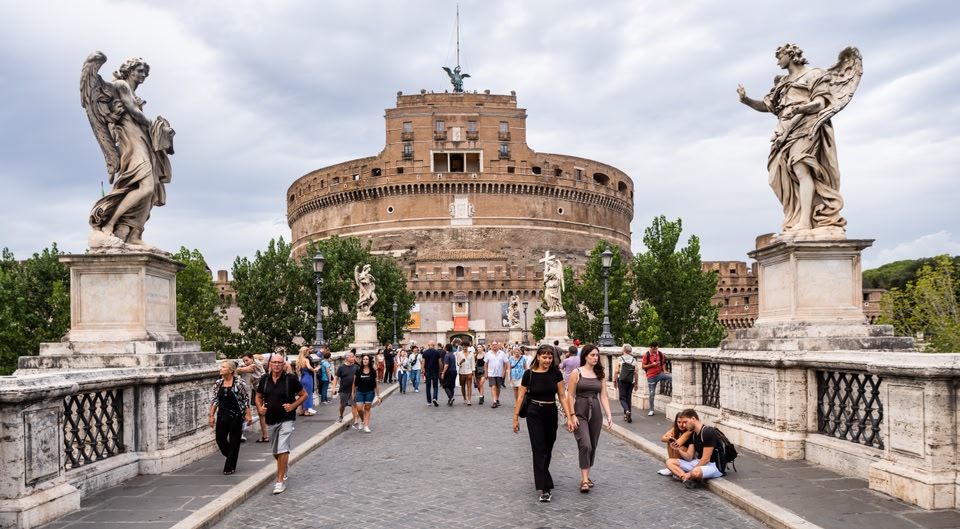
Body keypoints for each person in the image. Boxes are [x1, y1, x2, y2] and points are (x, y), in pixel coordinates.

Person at [736, 43, 860, 233]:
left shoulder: (815, 74)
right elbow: (767, 106)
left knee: (800, 168)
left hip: (806, 125)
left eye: (780, 56)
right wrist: (746, 100)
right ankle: (796, 217)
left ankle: (805, 222)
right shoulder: (783, 82)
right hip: (784, 130)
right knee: (779, 175)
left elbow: (820, 103)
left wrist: (801, 108)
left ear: (791, 55)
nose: (777, 61)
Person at [82, 54, 175, 249]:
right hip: (131, 141)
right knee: (146, 186)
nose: (143, 74)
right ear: (129, 70)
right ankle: (108, 224)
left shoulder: (132, 91)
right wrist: (157, 126)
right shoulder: (121, 86)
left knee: (151, 189)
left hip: (142, 138)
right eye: (139, 70)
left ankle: (133, 234)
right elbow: (133, 112)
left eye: (145, 72)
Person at [512, 344, 570, 503]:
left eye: (550, 357)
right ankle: (545, 487)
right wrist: (516, 418)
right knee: (539, 449)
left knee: (548, 448)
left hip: (551, 412)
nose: (547, 360)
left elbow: (562, 396)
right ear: (538, 357)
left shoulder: (556, 374)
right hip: (534, 412)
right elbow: (520, 397)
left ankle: (543, 475)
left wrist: (570, 416)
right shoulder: (528, 374)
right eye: (544, 357)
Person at [255, 354, 308, 494]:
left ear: (284, 364)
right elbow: (258, 396)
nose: (277, 365)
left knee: (283, 448)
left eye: (279, 363)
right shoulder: (264, 379)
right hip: (271, 419)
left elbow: (304, 395)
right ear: (270, 364)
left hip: (287, 418)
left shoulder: (290, 379)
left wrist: (293, 406)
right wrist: (260, 408)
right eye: (274, 362)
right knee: (275, 451)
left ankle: (280, 481)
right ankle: (283, 466)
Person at [565, 344, 613, 492]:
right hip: (580, 410)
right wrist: (571, 415)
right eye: (592, 355)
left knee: (592, 444)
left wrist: (609, 415)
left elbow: (603, 396)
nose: (595, 358)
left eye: (597, 355)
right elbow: (570, 395)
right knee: (585, 444)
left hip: (596, 410)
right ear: (585, 356)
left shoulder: (600, 374)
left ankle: (586, 476)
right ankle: (584, 480)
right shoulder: (576, 372)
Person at [209, 360, 253, 475]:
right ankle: (231, 456)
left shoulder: (239, 383)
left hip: (236, 415)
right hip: (222, 414)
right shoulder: (218, 383)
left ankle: (229, 466)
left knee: (234, 441)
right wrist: (211, 416)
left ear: (230, 370)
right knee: (220, 440)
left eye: (223, 367)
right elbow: (215, 400)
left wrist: (248, 415)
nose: (220, 369)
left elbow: (245, 400)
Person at [665, 409, 724, 488]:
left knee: (695, 472)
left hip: (714, 465)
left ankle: (687, 476)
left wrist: (689, 473)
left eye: (685, 422)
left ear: (693, 419)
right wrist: (678, 450)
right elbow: (689, 457)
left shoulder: (707, 432)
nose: (684, 426)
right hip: (699, 462)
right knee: (669, 462)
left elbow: (706, 459)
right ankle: (685, 479)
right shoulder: (693, 434)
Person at [237, 353, 269, 443]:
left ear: (252, 358)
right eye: (244, 361)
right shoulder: (258, 363)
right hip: (261, 391)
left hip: (262, 392)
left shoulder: (254, 365)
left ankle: (266, 435)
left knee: (262, 413)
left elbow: (245, 369)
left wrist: (233, 369)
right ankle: (265, 435)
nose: (245, 362)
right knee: (262, 413)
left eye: (247, 360)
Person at [641, 341, 671, 416]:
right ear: (650, 348)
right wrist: (651, 365)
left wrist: (664, 370)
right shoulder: (646, 355)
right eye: (654, 349)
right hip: (651, 376)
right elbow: (643, 366)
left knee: (672, 377)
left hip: (660, 374)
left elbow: (663, 363)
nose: (655, 351)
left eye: (656, 349)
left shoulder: (660, 354)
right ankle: (651, 410)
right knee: (652, 393)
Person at [352, 355, 382, 433]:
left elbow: (376, 384)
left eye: (367, 359)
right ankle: (362, 420)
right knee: (359, 408)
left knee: (367, 408)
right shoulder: (358, 370)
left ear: (369, 361)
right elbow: (354, 383)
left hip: (370, 392)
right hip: (359, 391)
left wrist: (378, 396)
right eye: (364, 359)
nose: (365, 360)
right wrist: (353, 393)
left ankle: (366, 425)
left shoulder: (373, 371)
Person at [332, 350, 360, 427]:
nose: (354, 358)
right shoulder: (341, 367)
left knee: (354, 405)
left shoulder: (356, 367)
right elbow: (336, 377)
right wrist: (334, 388)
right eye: (352, 357)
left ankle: (355, 421)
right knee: (342, 405)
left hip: (353, 390)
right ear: (347, 358)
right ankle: (341, 415)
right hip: (344, 389)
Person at [612, 344, 639, 422]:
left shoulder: (619, 359)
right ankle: (626, 415)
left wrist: (614, 381)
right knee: (628, 398)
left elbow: (616, 372)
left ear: (623, 350)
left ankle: (627, 411)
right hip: (631, 381)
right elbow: (636, 373)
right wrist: (636, 383)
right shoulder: (634, 360)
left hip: (622, 380)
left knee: (622, 398)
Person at [486, 341, 510, 408]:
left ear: (498, 345)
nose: (494, 346)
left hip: (500, 372)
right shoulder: (488, 354)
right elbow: (486, 363)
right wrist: (486, 373)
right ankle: (494, 401)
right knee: (493, 386)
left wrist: (504, 372)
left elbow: (505, 363)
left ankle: (497, 398)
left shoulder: (502, 353)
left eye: (496, 344)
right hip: (491, 372)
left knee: (498, 387)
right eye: (493, 345)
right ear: (491, 345)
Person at [295, 346, 317, 416]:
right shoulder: (306, 360)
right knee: (308, 394)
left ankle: (301, 410)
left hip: (302, 378)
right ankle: (307, 411)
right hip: (308, 377)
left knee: (302, 394)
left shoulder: (299, 360)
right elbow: (309, 367)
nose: (308, 353)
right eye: (307, 352)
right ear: (305, 352)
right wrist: (314, 370)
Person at [421, 341, 443, 407]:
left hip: (428, 371)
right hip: (435, 371)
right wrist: (441, 369)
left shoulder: (425, 352)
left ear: (428, 345)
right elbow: (440, 362)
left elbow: (423, 362)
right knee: (435, 386)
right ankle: (435, 398)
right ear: (434, 345)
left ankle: (429, 401)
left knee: (428, 386)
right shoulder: (437, 352)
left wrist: (422, 369)